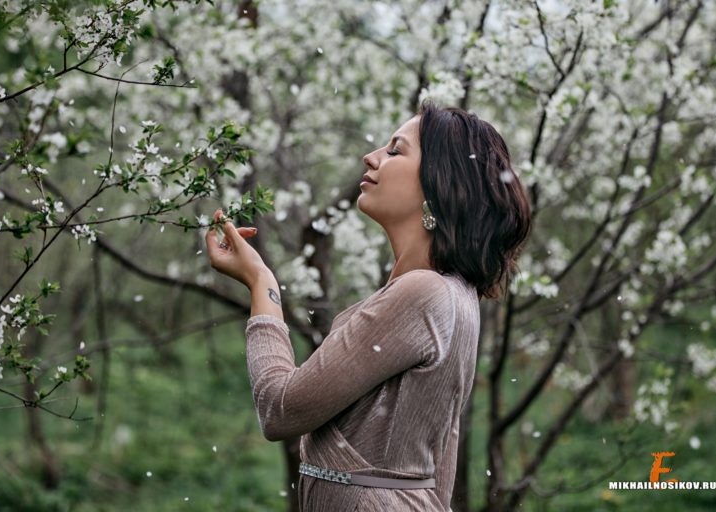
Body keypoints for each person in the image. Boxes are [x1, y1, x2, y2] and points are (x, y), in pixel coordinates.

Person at [205, 99, 533, 511]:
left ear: (438, 182)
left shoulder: (423, 294)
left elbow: (280, 409)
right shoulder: (456, 295)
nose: (372, 156)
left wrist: (260, 284)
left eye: (395, 150)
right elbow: (440, 459)